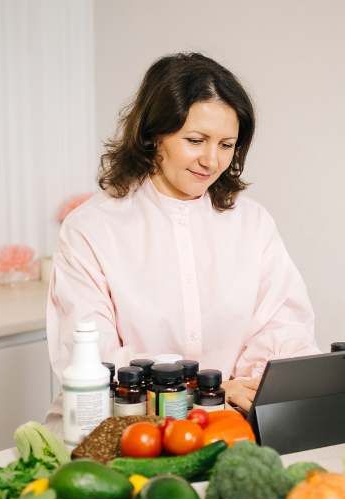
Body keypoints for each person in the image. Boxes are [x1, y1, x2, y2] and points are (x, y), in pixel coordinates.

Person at [46, 52, 319, 423]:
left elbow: (284, 328)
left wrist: (251, 390)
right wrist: (209, 393)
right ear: (154, 135)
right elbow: (92, 360)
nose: (211, 160)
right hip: (124, 430)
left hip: (233, 424)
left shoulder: (252, 223)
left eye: (226, 145)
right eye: (195, 140)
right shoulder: (92, 228)